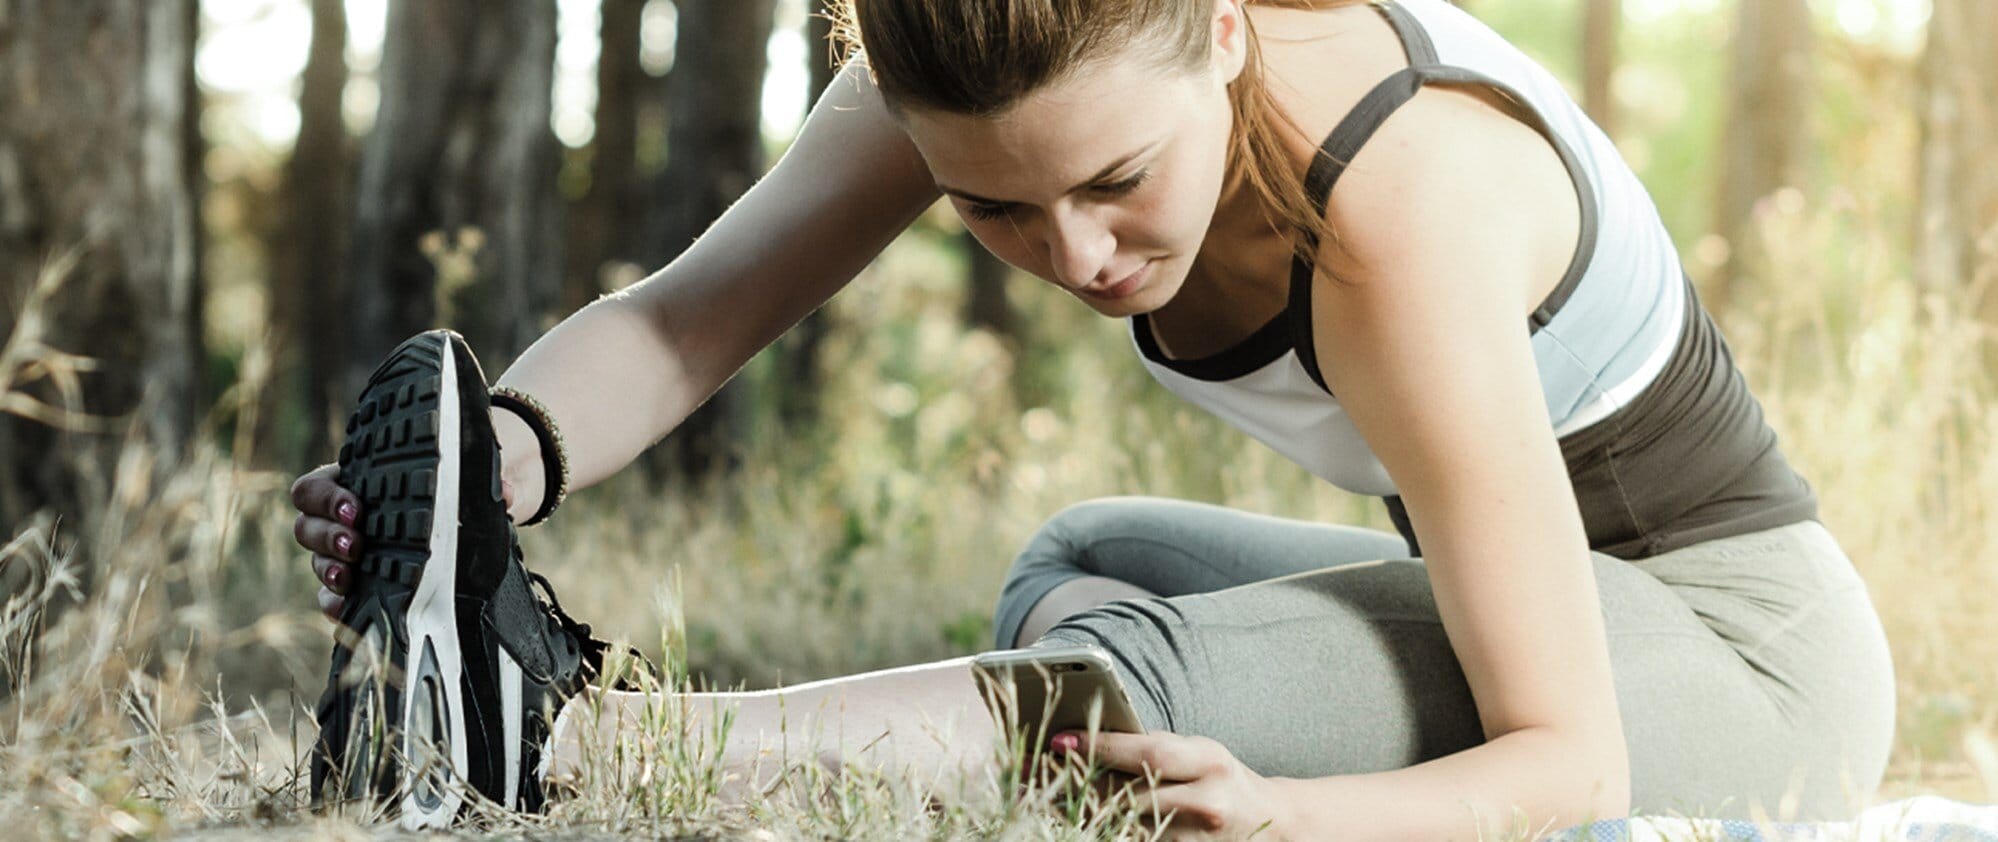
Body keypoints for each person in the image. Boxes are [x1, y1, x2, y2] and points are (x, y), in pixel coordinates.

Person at [289, 0, 1898, 836]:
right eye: (993, 209)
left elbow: (1569, 750)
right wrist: (488, 471)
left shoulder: (1397, 205)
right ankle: (481, 687)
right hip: (1541, 622)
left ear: (1217, 32)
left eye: (1116, 180)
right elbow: (678, 321)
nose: (1072, 255)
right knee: (1080, 563)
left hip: (1740, 665)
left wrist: (1296, 812)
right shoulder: (978, 62)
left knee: (1144, 680)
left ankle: (565, 746)